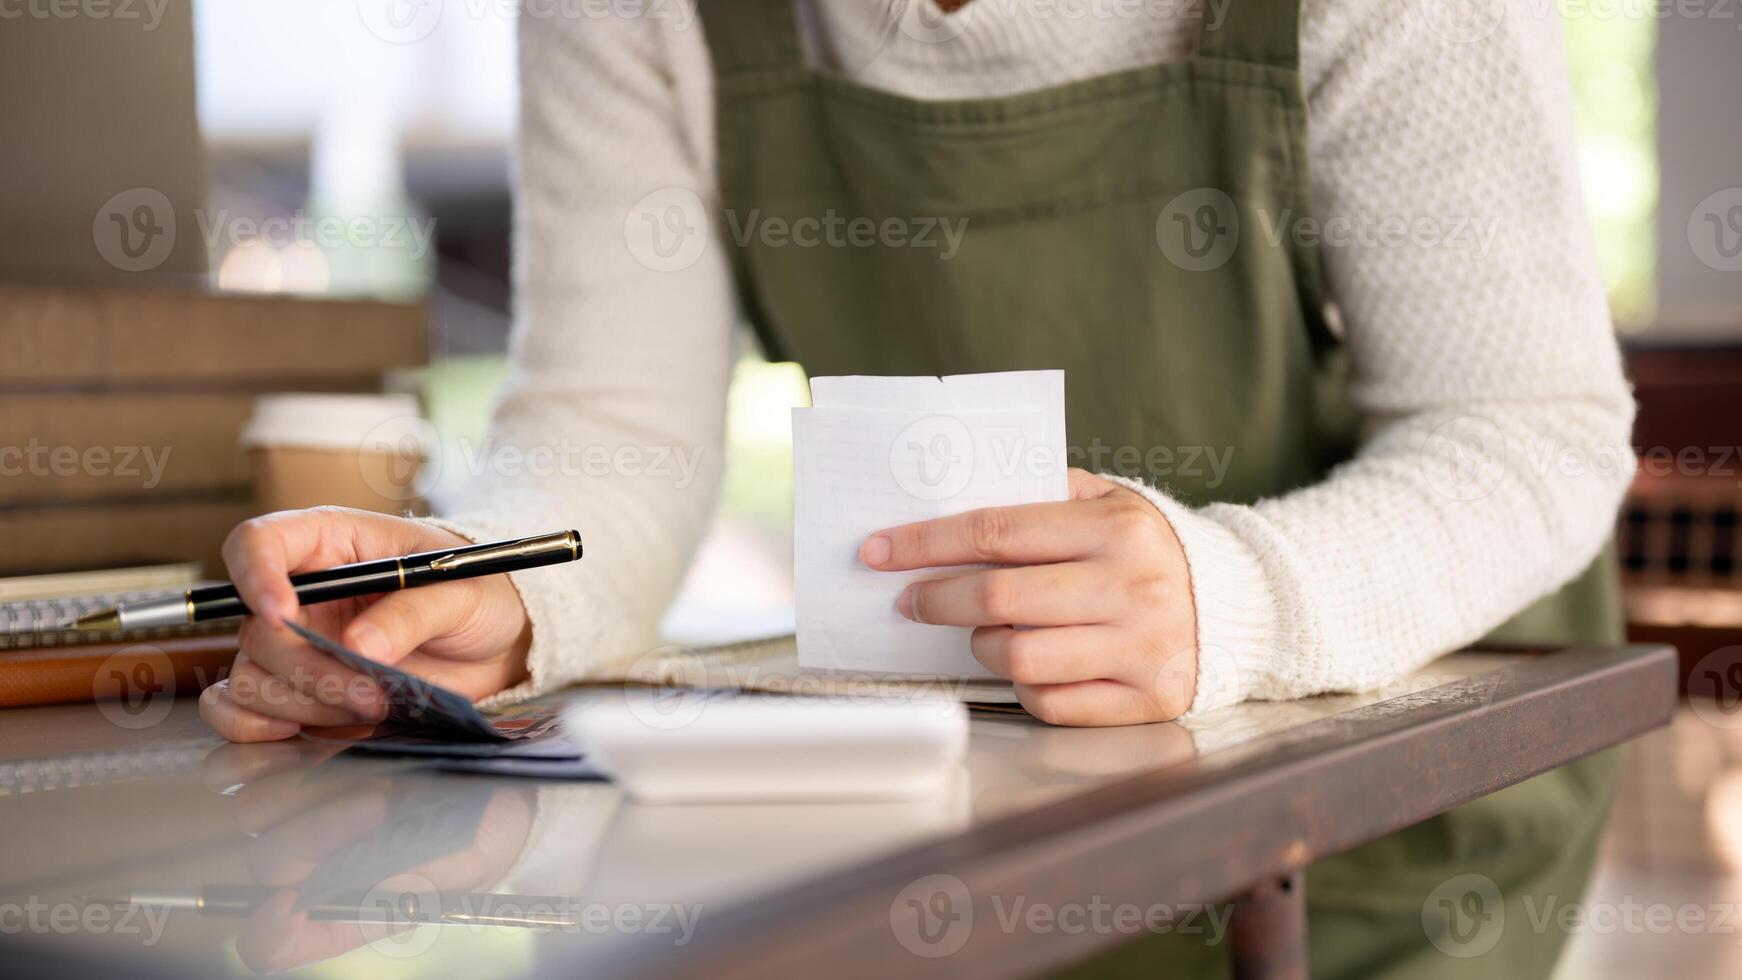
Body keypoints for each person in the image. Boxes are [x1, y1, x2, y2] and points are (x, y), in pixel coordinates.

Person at [200, 0, 1635, 975]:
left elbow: (1525, 430)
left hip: (1367, 837)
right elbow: (609, 422)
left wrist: (1234, 598)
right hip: (950, 833)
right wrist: (498, 586)